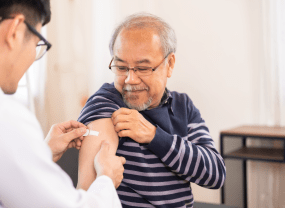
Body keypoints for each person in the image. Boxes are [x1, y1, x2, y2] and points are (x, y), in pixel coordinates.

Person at [0, 0, 126, 207]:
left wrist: (42, 151)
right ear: (14, 30)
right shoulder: (0, 119)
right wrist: (106, 179)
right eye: (37, 44)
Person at [77, 13, 226, 208]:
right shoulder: (106, 103)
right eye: (121, 67)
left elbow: (215, 175)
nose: (130, 79)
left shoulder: (182, 105)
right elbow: (87, 194)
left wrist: (154, 137)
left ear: (169, 64)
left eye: (143, 68)